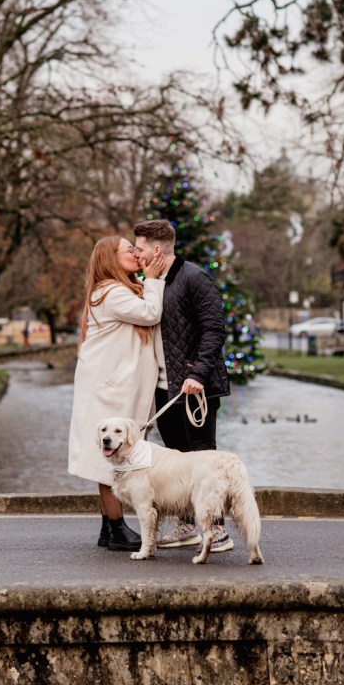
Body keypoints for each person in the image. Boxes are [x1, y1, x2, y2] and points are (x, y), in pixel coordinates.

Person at [133, 219, 233, 552]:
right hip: (164, 390)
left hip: (195, 389)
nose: (136, 253)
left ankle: (217, 531)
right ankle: (187, 526)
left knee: (203, 462)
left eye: (140, 248)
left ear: (156, 250)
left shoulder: (194, 277)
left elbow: (214, 329)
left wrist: (198, 375)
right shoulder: (147, 284)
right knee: (177, 464)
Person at [68, 235, 166, 551]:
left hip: (111, 387)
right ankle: (117, 528)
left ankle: (108, 529)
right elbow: (151, 313)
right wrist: (152, 279)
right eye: (130, 250)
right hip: (109, 391)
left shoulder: (115, 290)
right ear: (112, 258)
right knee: (110, 457)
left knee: (111, 456)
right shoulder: (111, 293)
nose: (136, 254)